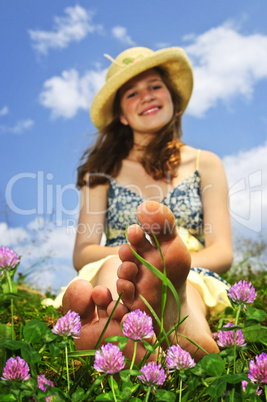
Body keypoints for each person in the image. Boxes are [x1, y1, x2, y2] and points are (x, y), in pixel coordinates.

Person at [46, 46, 233, 362]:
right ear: (121, 115)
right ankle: (115, 321)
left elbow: (222, 251)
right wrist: (141, 260)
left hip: (189, 264)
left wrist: (169, 261)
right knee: (116, 269)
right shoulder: (100, 172)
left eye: (155, 86)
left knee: (184, 279)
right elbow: (84, 251)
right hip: (118, 259)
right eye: (132, 93)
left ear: (172, 98)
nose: (146, 96)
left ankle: (184, 323)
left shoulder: (206, 163)